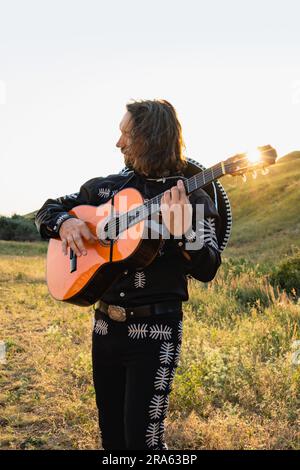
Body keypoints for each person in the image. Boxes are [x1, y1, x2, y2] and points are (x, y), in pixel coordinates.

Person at [35, 99, 222, 450]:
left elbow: (209, 266)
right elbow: (47, 210)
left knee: (144, 442)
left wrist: (182, 233)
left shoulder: (193, 197)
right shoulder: (107, 189)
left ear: (150, 137)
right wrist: (67, 222)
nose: (118, 143)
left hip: (156, 332)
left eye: (126, 134)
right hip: (104, 328)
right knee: (113, 440)